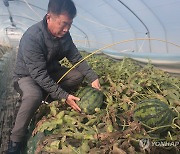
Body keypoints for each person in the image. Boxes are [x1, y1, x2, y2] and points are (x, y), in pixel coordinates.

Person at [7, 0, 101, 153]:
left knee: (77, 76)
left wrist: (93, 77)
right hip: (26, 76)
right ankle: (15, 140)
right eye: (63, 24)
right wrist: (64, 95)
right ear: (49, 17)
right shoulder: (33, 36)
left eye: (69, 25)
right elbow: (38, 74)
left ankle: (48, 96)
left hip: (49, 72)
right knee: (33, 96)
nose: (66, 29)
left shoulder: (65, 36)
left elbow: (76, 58)